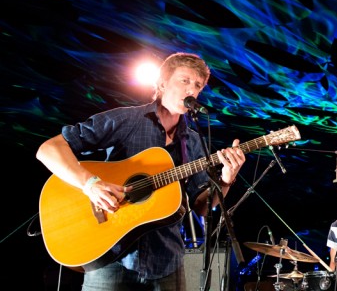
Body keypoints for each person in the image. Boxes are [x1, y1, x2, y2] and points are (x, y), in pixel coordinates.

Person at [36, 52, 246, 290]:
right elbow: (49, 149)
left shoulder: (194, 141)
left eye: (197, 85)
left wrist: (226, 180)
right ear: (163, 83)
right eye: (184, 80)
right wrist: (90, 184)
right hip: (113, 258)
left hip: (167, 261)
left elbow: (201, 207)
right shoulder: (126, 119)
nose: (191, 89)